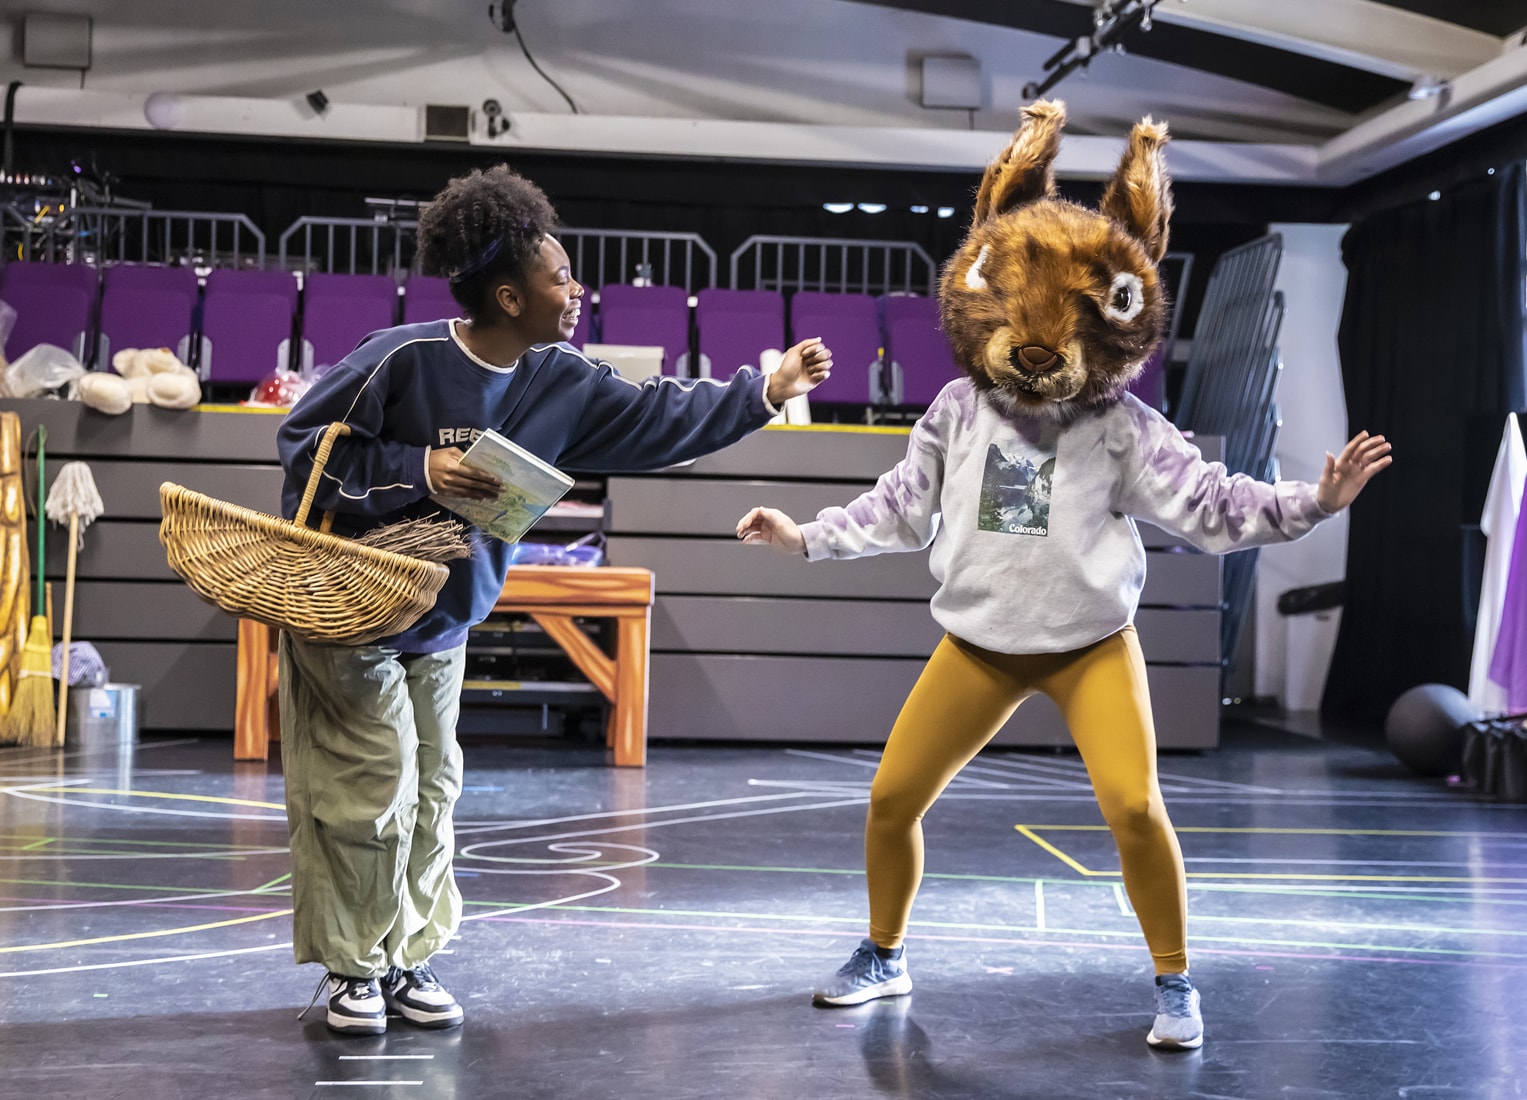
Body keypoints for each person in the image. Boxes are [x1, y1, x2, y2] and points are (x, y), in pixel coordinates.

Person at [735, 97, 1390, 1053]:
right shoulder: (958, 411)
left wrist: (1314, 503)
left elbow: (1213, 506)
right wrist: (805, 536)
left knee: (1133, 806)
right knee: (890, 799)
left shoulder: (1119, 428)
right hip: (980, 646)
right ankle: (883, 954)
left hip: (1089, 646)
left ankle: (1175, 982)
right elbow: (896, 506)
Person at [276, 163, 832, 1036]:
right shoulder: (400, 359)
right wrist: (414, 467)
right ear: (506, 295)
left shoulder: (562, 379)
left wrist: (763, 391)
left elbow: (661, 417)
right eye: (559, 276)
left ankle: (409, 955)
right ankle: (353, 968)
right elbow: (303, 445)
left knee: (433, 792)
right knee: (366, 789)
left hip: (445, 619)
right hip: (356, 615)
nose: (576, 290)